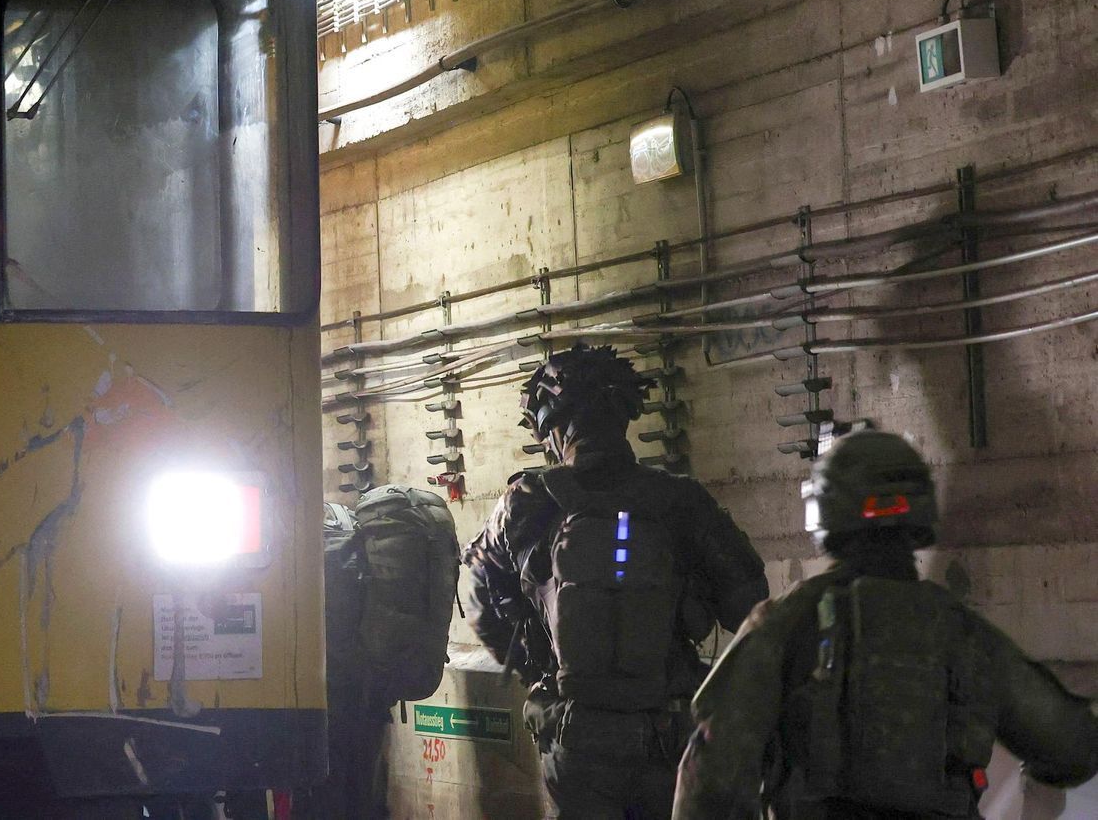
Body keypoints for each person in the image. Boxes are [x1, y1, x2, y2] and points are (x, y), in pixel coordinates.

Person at [674, 424, 1098, 819]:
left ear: (825, 508)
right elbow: (1072, 748)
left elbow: (712, 777)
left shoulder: (785, 624)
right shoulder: (961, 631)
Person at [466, 345, 769, 819]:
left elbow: (481, 603)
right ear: (623, 417)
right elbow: (749, 603)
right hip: (665, 732)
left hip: (573, 734)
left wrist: (540, 667)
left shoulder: (524, 503)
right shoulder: (680, 500)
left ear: (553, 427)